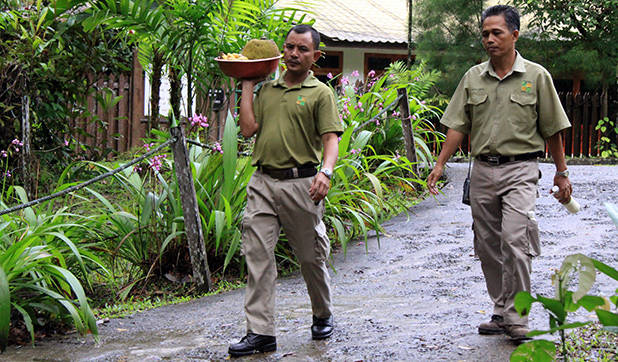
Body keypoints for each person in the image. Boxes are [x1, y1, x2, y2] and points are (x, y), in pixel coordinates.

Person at [426, 5, 572, 342]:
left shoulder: (537, 77)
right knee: (488, 245)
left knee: (515, 241)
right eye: (485, 34)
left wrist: (561, 172)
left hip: (521, 169)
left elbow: (553, 129)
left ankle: (517, 316)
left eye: (497, 33)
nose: (489, 40)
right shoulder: (473, 77)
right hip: (482, 172)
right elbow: (458, 126)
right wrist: (440, 163)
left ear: (514, 35)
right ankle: (500, 309)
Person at [228, 24, 343, 357]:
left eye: (302, 49)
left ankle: (322, 312)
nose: (294, 54)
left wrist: (326, 171)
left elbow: (330, 139)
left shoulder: (321, 93)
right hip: (263, 182)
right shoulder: (267, 91)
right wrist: (248, 83)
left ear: (315, 56)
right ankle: (260, 332)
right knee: (257, 256)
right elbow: (248, 129)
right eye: (289, 47)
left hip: (301, 184)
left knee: (310, 257)